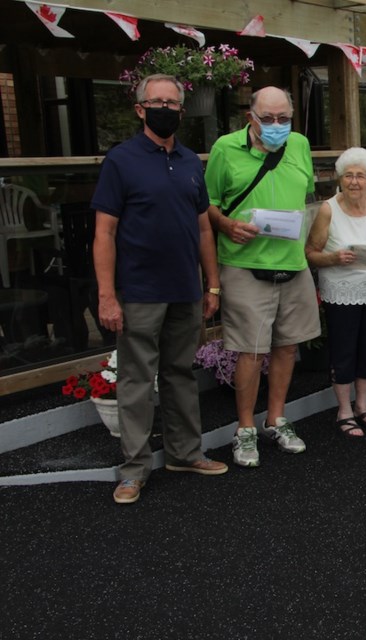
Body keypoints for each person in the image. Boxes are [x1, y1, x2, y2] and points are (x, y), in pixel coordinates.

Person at [92, 74, 227, 505]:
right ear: (140, 109)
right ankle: (133, 470)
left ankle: (185, 453)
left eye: (172, 103)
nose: (165, 108)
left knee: (180, 374)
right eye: (157, 101)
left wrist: (214, 285)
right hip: (138, 291)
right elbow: (104, 233)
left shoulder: (190, 161)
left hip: (186, 289)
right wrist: (107, 295)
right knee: (135, 380)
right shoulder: (121, 160)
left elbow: (204, 227)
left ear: (182, 112)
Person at [205, 86, 321, 468]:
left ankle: (276, 419)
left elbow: (305, 197)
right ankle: (244, 430)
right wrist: (226, 225)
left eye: (283, 119)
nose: (276, 126)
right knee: (251, 351)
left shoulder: (300, 145)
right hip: (244, 264)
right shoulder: (225, 148)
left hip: (292, 262)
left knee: (288, 346)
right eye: (267, 119)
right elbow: (209, 205)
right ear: (250, 117)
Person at [306, 148, 366, 437]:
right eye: (349, 176)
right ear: (340, 180)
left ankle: (363, 406)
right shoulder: (328, 209)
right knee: (344, 351)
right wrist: (332, 259)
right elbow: (311, 253)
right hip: (341, 292)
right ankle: (344, 409)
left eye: (361, 176)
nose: (355, 182)